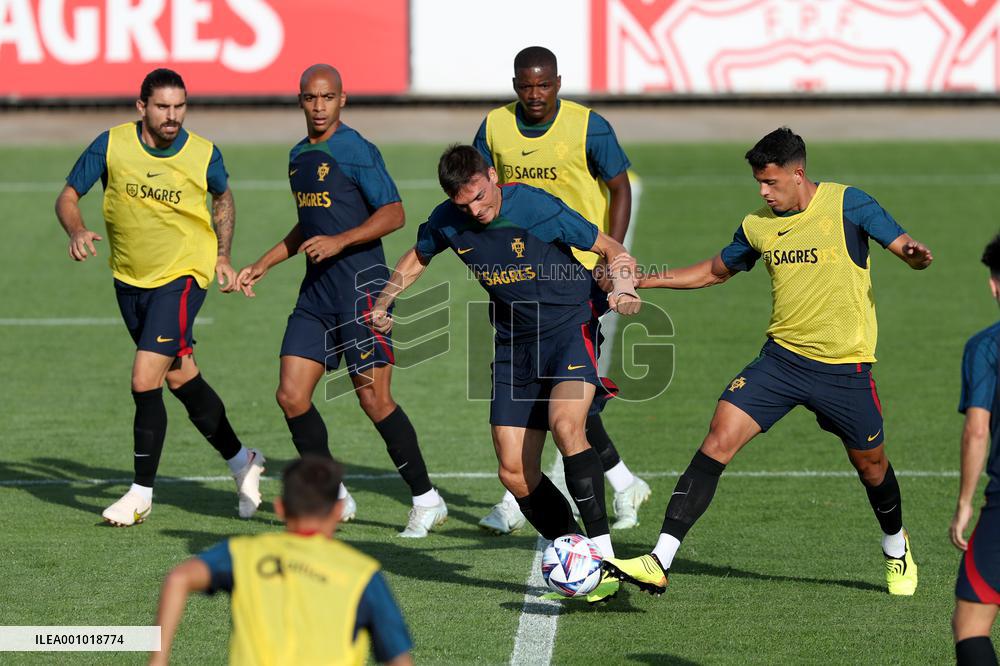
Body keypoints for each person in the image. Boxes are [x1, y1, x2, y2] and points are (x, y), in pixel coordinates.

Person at [603, 127, 932, 597]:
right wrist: (643, 279)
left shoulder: (849, 205)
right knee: (718, 439)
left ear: (798, 175)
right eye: (759, 182)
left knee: (872, 467)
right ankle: (660, 559)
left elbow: (905, 247)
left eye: (771, 183)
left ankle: (896, 546)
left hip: (845, 370)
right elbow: (713, 272)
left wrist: (916, 257)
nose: (763, 191)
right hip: (780, 363)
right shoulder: (758, 225)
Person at [371, 144, 640, 603]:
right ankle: (579, 556)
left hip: (569, 325)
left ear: (491, 176)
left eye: (479, 196)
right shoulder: (447, 219)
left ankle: (605, 555)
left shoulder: (533, 205)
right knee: (514, 472)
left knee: (566, 426)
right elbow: (418, 256)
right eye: (464, 204)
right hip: (514, 345)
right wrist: (384, 300)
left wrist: (625, 285)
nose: (475, 210)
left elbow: (610, 247)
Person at [235, 64, 445, 538]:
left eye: (327, 97)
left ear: (342, 100)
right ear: (300, 100)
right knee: (291, 396)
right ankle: (333, 492)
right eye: (310, 98)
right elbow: (307, 227)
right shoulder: (296, 157)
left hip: (360, 290)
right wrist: (265, 263)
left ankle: (426, 498)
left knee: (374, 399)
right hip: (316, 294)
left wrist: (341, 241)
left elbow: (394, 213)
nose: (318, 106)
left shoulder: (356, 150)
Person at [55, 68, 264, 527]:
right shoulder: (110, 145)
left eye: (179, 107)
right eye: (163, 107)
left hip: (184, 275)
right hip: (130, 280)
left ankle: (139, 493)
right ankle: (242, 460)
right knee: (180, 378)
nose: (172, 116)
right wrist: (76, 229)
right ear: (141, 107)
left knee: (144, 380)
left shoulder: (204, 153)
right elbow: (68, 195)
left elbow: (223, 199)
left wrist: (223, 256)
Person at [472, 45, 650, 534]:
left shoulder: (588, 126)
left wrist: (606, 258)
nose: (535, 94)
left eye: (544, 84)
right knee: (558, 396)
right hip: (518, 275)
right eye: (525, 85)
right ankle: (621, 482)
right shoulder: (493, 128)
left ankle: (541, 501)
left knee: (566, 398)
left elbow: (620, 187)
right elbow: (476, 188)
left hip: (575, 276)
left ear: (558, 82)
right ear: (514, 85)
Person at [151, 456, 414, 666]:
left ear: (280, 508)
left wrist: (158, 660)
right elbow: (398, 659)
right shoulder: (362, 574)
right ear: (337, 510)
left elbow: (179, 578)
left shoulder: (244, 554)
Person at [949, 235, 1000, 665]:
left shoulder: (986, 347)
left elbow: (977, 431)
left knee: (970, 626)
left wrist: (965, 503)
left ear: (994, 286)